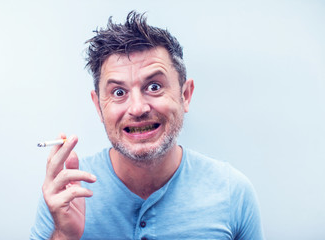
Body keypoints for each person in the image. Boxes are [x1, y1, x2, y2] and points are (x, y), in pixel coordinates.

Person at [30, 11, 265, 240]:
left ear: (185, 95)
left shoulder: (233, 193)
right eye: (119, 92)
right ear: (98, 106)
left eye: (154, 87)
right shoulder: (67, 192)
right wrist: (65, 235)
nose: (138, 108)